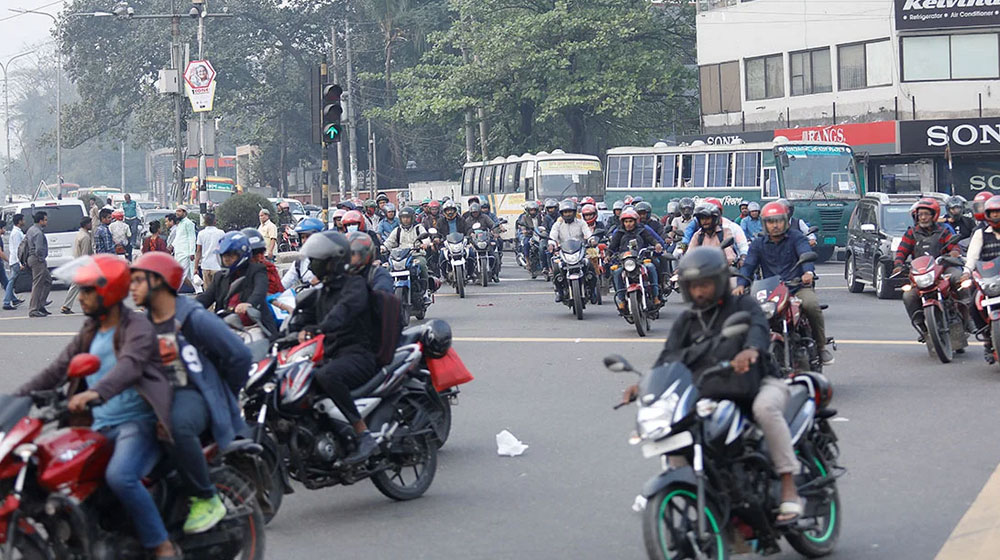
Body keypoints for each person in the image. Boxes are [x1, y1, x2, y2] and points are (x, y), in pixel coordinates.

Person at [17, 254, 180, 558]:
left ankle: (162, 544)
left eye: (88, 290)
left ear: (109, 290)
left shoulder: (137, 328)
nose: (81, 298)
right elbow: (57, 370)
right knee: (53, 471)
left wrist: (94, 394)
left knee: (121, 476)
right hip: (99, 426)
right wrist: (16, 399)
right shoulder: (92, 329)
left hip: (138, 423)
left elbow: (129, 367)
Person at [642, 246, 803, 525]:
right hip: (713, 390)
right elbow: (667, 357)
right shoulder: (687, 320)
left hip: (759, 383)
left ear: (718, 281)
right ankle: (693, 490)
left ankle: (788, 484)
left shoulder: (743, 305)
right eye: (693, 287)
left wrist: (751, 350)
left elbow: (758, 329)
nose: (699, 292)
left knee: (765, 409)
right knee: (681, 427)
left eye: (704, 285)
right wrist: (644, 385)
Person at [131, 252, 252, 535]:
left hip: (193, 394)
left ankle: (206, 498)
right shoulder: (146, 322)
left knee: (178, 426)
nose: (132, 288)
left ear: (159, 283)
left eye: (138, 281)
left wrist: (223, 394)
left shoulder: (193, 317)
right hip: (165, 394)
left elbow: (239, 357)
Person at [288, 231, 380, 465]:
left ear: (333, 262)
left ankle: (363, 433)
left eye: (317, 262)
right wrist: (288, 334)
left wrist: (320, 328)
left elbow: (343, 312)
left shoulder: (355, 286)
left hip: (358, 355)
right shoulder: (324, 291)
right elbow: (303, 317)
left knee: (326, 375)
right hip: (331, 354)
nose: (313, 266)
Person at [736, 201, 833, 365]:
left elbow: (806, 254)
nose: (775, 225)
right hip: (770, 292)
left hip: (796, 288)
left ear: (786, 221)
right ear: (764, 223)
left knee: (811, 305)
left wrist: (808, 272)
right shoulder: (758, 243)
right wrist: (740, 284)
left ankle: (821, 347)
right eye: (771, 222)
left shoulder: (797, 237)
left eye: (778, 221)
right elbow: (748, 266)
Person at [892, 197, 964, 341]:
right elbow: (901, 252)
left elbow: (954, 246)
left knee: (959, 279)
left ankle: (968, 318)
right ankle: (922, 328)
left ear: (934, 215)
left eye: (926, 214)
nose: (923, 218)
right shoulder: (911, 233)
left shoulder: (943, 232)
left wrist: (954, 253)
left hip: (943, 270)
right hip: (921, 274)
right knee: (908, 295)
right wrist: (898, 264)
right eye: (920, 215)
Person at [197, 231, 278, 336]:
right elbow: (206, 297)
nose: (226, 259)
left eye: (230, 255)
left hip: (252, 326)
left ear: (242, 254)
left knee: (252, 347)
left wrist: (249, 304)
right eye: (223, 255)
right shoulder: (220, 277)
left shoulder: (257, 270)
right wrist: (186, 307)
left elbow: (260, 291)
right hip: (225, 326)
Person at [963, 195, 1000, 362]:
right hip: (987, 279)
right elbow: (972, 257)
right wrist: (966, 272)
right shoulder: (980, 233)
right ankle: (986, 340)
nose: (996, 216)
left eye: (999, 213)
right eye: (993, 214)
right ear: (987, 215)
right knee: (972, 305)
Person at [607, 208, 661, 307]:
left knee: (651, 267)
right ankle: (622, 300)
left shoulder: (642, 230)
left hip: (641, 259)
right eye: (626, 221)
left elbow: (651, 239)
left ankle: (655, 296)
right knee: (617, 272)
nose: (628, 224)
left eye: (631, 221)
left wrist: (656, 244)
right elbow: (612, 246)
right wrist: (607, 255)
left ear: (635, 221)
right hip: (625, 262)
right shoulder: (619, 233)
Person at [383, 207, 430, 304]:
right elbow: (389, 242)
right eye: (403, 217)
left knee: (422, 265)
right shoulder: (397, 230)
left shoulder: (418, 228)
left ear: (412, 218)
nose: (405, 219)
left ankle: (425, 292)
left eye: (408, 217)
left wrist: (425, 244)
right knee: (387, 269)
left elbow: (426, 238)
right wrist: (383, 247)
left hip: (415, 255)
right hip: (401, 257)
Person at [548, 199, 592, 303]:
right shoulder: (557, 225)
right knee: (556, 268)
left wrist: (591, 240)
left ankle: (593, 290)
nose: (567, 214)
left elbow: (588, 233)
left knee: (590, 267)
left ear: (574, 212)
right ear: (562, 214)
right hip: (563, 253)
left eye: (570, 212)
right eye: (565, 212)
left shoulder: (581, 223)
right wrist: (551, 244)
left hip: (580, 252)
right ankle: (559, 291)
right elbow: (553, 237)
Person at [280, 217, 325, 293]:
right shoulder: (300, 262)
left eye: (308, 236)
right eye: (303, 237)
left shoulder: (329, 259)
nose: (305, 240)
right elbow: (284, 283)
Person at [61, 217, 94, 315]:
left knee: (76, 286)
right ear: (86, 225)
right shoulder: (85, 237)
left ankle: (67, 305)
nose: (92, 225)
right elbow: (85, 255)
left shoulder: (80, 234)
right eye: (90, 223)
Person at [347, 230, 392, 294]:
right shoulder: (342, 274)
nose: (351, 257)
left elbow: (383, 294)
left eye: (354, 253)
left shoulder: (377, 273)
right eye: (348, 253)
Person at [241, 228, 284, 295]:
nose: (259, 257)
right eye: (254, 253)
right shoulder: (237, 273)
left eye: (260, 252)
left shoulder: (269, 269)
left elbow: (278, 292)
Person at [26, 211, 52, 318]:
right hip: (37, 260)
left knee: (47, 281)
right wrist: (41, 259)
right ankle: (33, 309)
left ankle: (41, 305)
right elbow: (39, 249)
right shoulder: (38, 233)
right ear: (40, 221)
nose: (46, 222)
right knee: (38, 284)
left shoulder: (31, 230)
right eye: (45, 220)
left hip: (33, 258)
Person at [195, 213, 225, 287]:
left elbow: (198, 251)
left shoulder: (201, 234)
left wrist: (195, 267)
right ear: (215, 221)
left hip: (205, 265)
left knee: (207, 291)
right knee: (218, 290)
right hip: (218, 266)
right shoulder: (221, 233)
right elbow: (224, 249)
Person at [3, 214, 26, 310]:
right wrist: (20, 263)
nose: (24, 221)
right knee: (11, 281)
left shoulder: (16, 232)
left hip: (15, 260)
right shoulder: (16, 233)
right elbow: (17, 249)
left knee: (11, 281)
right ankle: (7, 302)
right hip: (16, 261)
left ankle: (12, 300)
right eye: (23, 220)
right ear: (19, 221)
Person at [173, 206, 197, 287]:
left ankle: (173, 291)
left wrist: (192, 252)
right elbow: (179, 237)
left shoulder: (189, 223)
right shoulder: (180, 223)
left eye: (179, 211)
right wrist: (172, 246)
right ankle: (199, 290)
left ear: (184, 213)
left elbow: (192, 238)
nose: (177, 213)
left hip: (186, 252)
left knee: (181, 273)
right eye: (177, 211)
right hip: (179, 251)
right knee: (190, 275)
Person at [516, 201, 544, 269]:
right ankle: (527, 261)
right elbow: (522, 225)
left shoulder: (540, 216)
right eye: (531, 210)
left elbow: (543, 224)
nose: (533, 212)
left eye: (534, 210)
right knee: (526, 243)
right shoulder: (524, 217)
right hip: (529, 235)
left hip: (539, 235)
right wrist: (524, 230)